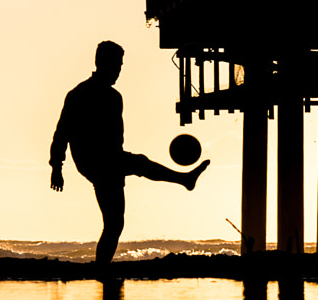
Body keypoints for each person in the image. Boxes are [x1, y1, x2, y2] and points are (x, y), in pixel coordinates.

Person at [49, 41, 209, 267]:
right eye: (116, 65)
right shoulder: (79, 94)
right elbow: (62, 132)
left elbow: (117, 137)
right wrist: (57, 167)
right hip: (91, 159)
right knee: (139, 163)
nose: (118, 71)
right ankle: (184, 179)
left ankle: (101, 267)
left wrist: (120, 168)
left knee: (115, 223)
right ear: (102, 64)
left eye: (120, 66)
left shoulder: (116, 98)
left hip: (113, 161)